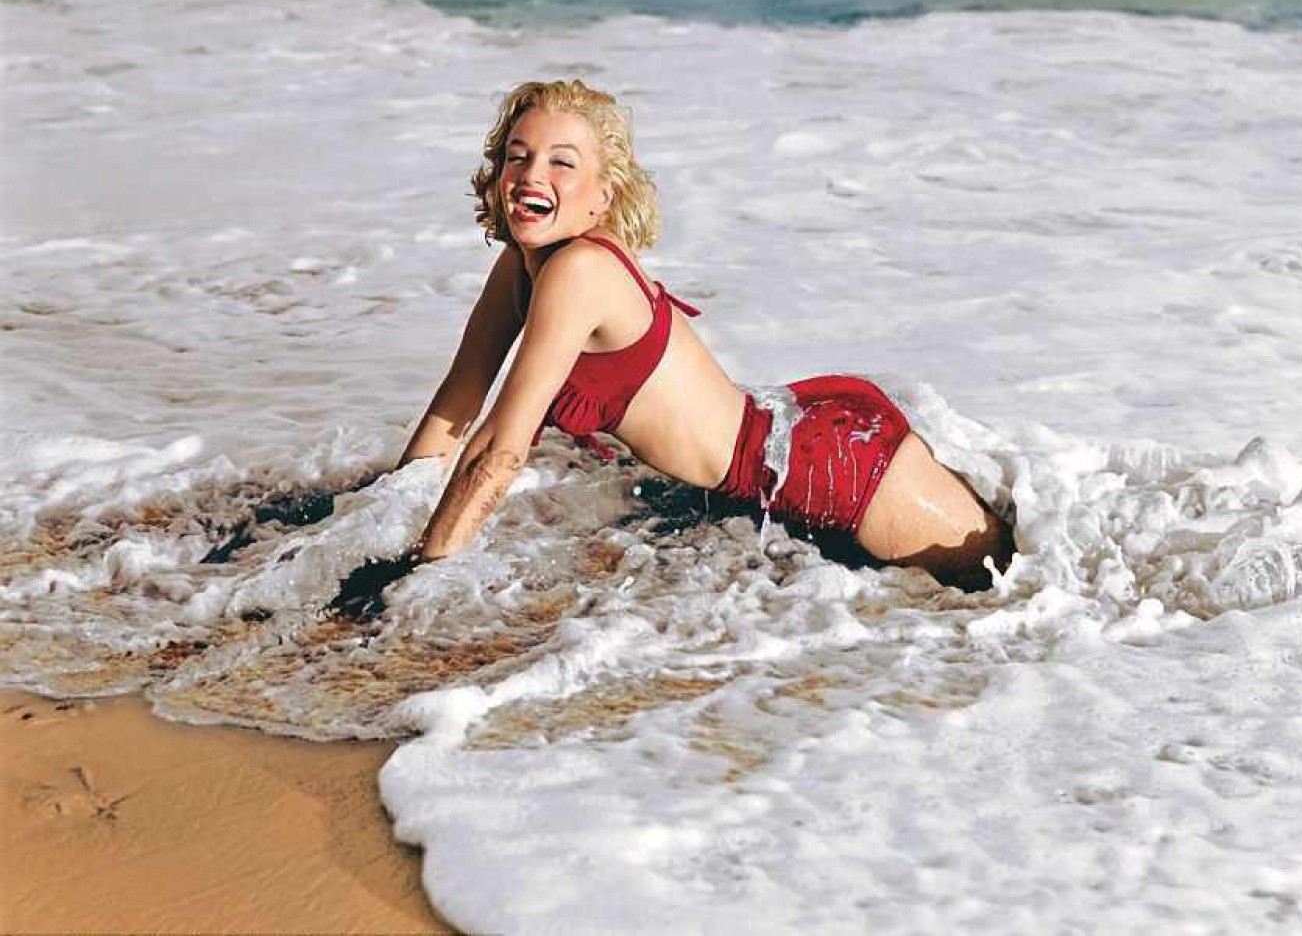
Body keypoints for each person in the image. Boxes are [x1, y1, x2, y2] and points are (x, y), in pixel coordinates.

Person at [390, 79, 1012, 596]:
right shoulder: (523, 265)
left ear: (604, 196)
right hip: (787, 438)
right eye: (518, 156)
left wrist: (414, 578)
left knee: (1005, 590)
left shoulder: (579, 271)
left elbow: (500, 451)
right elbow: (460, 399)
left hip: (831, 468)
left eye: (562, 162)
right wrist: (383, 513)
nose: (531, 174)